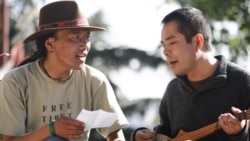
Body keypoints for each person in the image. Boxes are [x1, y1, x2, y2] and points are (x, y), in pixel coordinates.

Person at [0, 1, 128, 141]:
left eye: (87, 37)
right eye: (75, 37)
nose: (85, 45)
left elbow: (115, 134)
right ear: (49, 44)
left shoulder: (95, 80)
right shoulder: (15, 82)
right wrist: (51, 129)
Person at [131, 7, 250, 141]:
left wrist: (240, 134)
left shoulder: (242, 81)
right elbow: (164, 134)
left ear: (197, 41)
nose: (165, 52)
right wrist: (140, 136)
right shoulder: (173, 89)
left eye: (172, 42)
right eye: (164, 45)